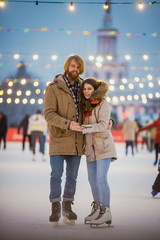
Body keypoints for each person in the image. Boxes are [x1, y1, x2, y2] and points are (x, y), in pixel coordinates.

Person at [44, 55, 84, 225]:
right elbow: (49, 114)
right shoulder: (54, 88)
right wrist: (68, 124)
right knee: (56, 174)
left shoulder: (85, 88)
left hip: (77, 140)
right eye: (72, 66)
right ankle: (55, 206)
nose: (75, 70)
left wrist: (109, 120)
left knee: (72, 176)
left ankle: (67, 206)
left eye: (78, 67)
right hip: (59, 138)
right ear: (67, 66)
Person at [79, 78, 117, 227]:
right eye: (84, 89)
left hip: (103, 146)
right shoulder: (84, 106)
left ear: (95, 90)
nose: (86, 91)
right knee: (92, 180)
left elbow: (103, 125)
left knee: (101, 178)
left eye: (89, 88)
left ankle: (106, 211)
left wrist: (84, 128)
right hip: (90, 147)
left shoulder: (103, 104)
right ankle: (98, 208)